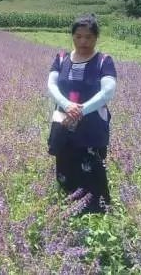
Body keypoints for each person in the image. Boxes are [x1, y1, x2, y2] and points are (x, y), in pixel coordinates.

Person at [47, 14, 117, 213]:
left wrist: (80, 110)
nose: (83, 41)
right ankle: (68, 211)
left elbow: (107, 91)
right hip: (63, 122)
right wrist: (66, 104)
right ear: (72, 36)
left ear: (96, 38)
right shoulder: (61, 59)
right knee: (65, 166)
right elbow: (51, 85)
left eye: (88, 37)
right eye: (78, 36)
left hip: (92, 127)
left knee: (93, 170)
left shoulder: (104, 61)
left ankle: (95, 216)